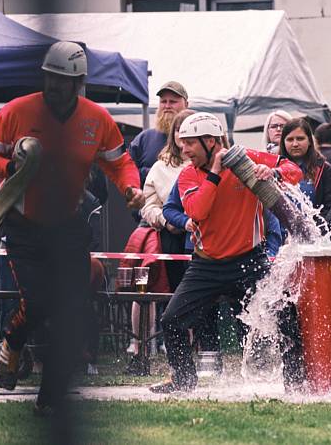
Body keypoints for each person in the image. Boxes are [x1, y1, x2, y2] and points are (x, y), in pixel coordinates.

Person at [0, 42, 144, 419]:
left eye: (62, 81)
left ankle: (49, 399)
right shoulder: (18, 111)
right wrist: (10, 168)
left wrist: (131, 189)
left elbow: (120, 163)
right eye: (49, 78)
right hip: (23, 224)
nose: (54, 87)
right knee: (37, 302)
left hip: (68, 227)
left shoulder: (96, 119)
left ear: (79, 82)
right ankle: (13, 343)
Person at [150, 112, 305, 393]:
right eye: (182, 143)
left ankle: (295, 383)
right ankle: (183, 381)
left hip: (250, 261)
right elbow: (197, 211)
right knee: (171, 319)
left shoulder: (245, 158)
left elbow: (296, 171)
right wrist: (216, 174)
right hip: (206, 266)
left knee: (285, 313)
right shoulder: (187, 175)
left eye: (189, 144)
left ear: (210, 141)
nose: (183, 150)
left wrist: (274, 172)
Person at [127, 109, 195, 357]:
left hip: (203, 238)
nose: (184, 135)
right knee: (166, 293)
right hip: (169, 237)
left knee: (193, 297)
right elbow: (148, 205)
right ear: (174, 135)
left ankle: (196, 350)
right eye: (179, 129)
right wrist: (167, 221)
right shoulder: (160, 166)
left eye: (190, 129)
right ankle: (153, 348)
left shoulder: (211, 164)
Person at [129, 81, 189, 187]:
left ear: (186, 105)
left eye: (173, 101)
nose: (167, 106)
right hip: (149, 202)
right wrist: (151, 172)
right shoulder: (143, 139)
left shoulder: (196, 138)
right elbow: (127, 173)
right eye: (163, 101)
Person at [278, 118, 331, 218]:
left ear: (310, 141)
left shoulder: (324, 169)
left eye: (300, 139)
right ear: (283, 143)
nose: (295, 144)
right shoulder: (274, 169)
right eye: (290, 139)